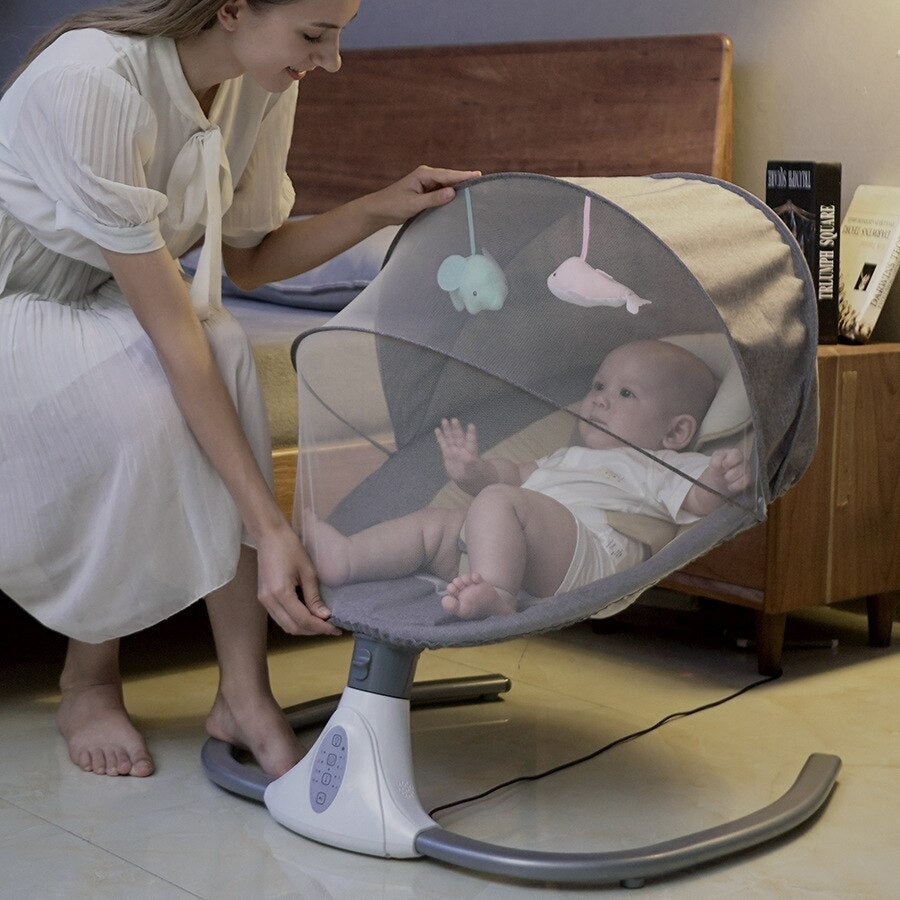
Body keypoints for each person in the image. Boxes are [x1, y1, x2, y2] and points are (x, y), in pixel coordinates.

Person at [0, 0, 480, 779]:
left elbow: (251, 261)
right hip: (14, 302)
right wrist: (272, 523)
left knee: (221, 338)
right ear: (230, 10)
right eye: (315, 36)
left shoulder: (263, 81)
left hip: (94, 300)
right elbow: (169, 331)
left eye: (337, 36)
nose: (330, 62)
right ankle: (87, 679)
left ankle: (244, 692)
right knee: (177, 378)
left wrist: (382, 206)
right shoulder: (92, 81)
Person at [304, 339, 750, 619]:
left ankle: (497, 594)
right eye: (598, 386)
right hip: (516, 549)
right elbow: (512, 475)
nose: (600, 400)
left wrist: (719, 478)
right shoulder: (567, 455)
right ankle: (348, 558)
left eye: (625, 393)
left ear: (676, 432)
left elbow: (699, 500)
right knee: (435, 521)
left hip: (587, 554)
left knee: (501, 501)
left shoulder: (657, 465)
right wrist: (473, 472)